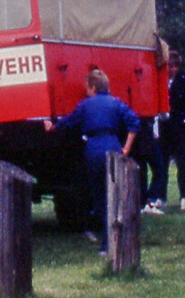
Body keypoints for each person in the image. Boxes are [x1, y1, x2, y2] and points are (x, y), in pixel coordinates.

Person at [45, 69, 139, 254]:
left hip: (94, 147)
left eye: (87, 88)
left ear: (93, 87)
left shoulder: (85, 105)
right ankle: (121, 236)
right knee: (116, 193)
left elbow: (69, 122)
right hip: (113, 145)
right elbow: (134, 122)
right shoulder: (116, 103)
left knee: (99, 195)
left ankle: (106, 242)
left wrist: (52, 125)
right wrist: (126, 147)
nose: (86, 91)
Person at [159, 51, 185, 211]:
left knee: (183, 164)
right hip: (163, 127)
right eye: (170, 66)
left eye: (175, 66)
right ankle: (161, 197)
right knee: (162, 165)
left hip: (180, 127)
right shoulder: (158, 80)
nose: (172, 69)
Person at [133, 117, 167, 215]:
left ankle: (142, 203)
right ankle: (150, 201)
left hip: (138, 135)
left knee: (142, 171)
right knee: (159, 168)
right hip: (147, 133)